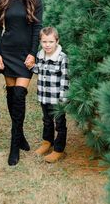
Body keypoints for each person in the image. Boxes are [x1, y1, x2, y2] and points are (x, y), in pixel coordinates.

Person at [0, 0, 43, 166]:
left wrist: (33, 53)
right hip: (7, 51)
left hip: (25, 56)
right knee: (12, 95)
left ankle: (14, 147)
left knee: (20, 96)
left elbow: (36, 29)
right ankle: (19, 134)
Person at [33, 26, 69, 163]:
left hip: (57, 98)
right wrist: (31, 66)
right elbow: (38, 70)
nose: (47, 45)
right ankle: (47, 142)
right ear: (40, 42)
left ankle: (58, 149)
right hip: (44, 96)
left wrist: (63, 98)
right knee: (47, 120)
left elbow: (65, 78)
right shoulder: (40, 55)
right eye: (44, 42)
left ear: (57, 41)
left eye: (50, 42)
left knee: (59, 123)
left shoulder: (62, 57)